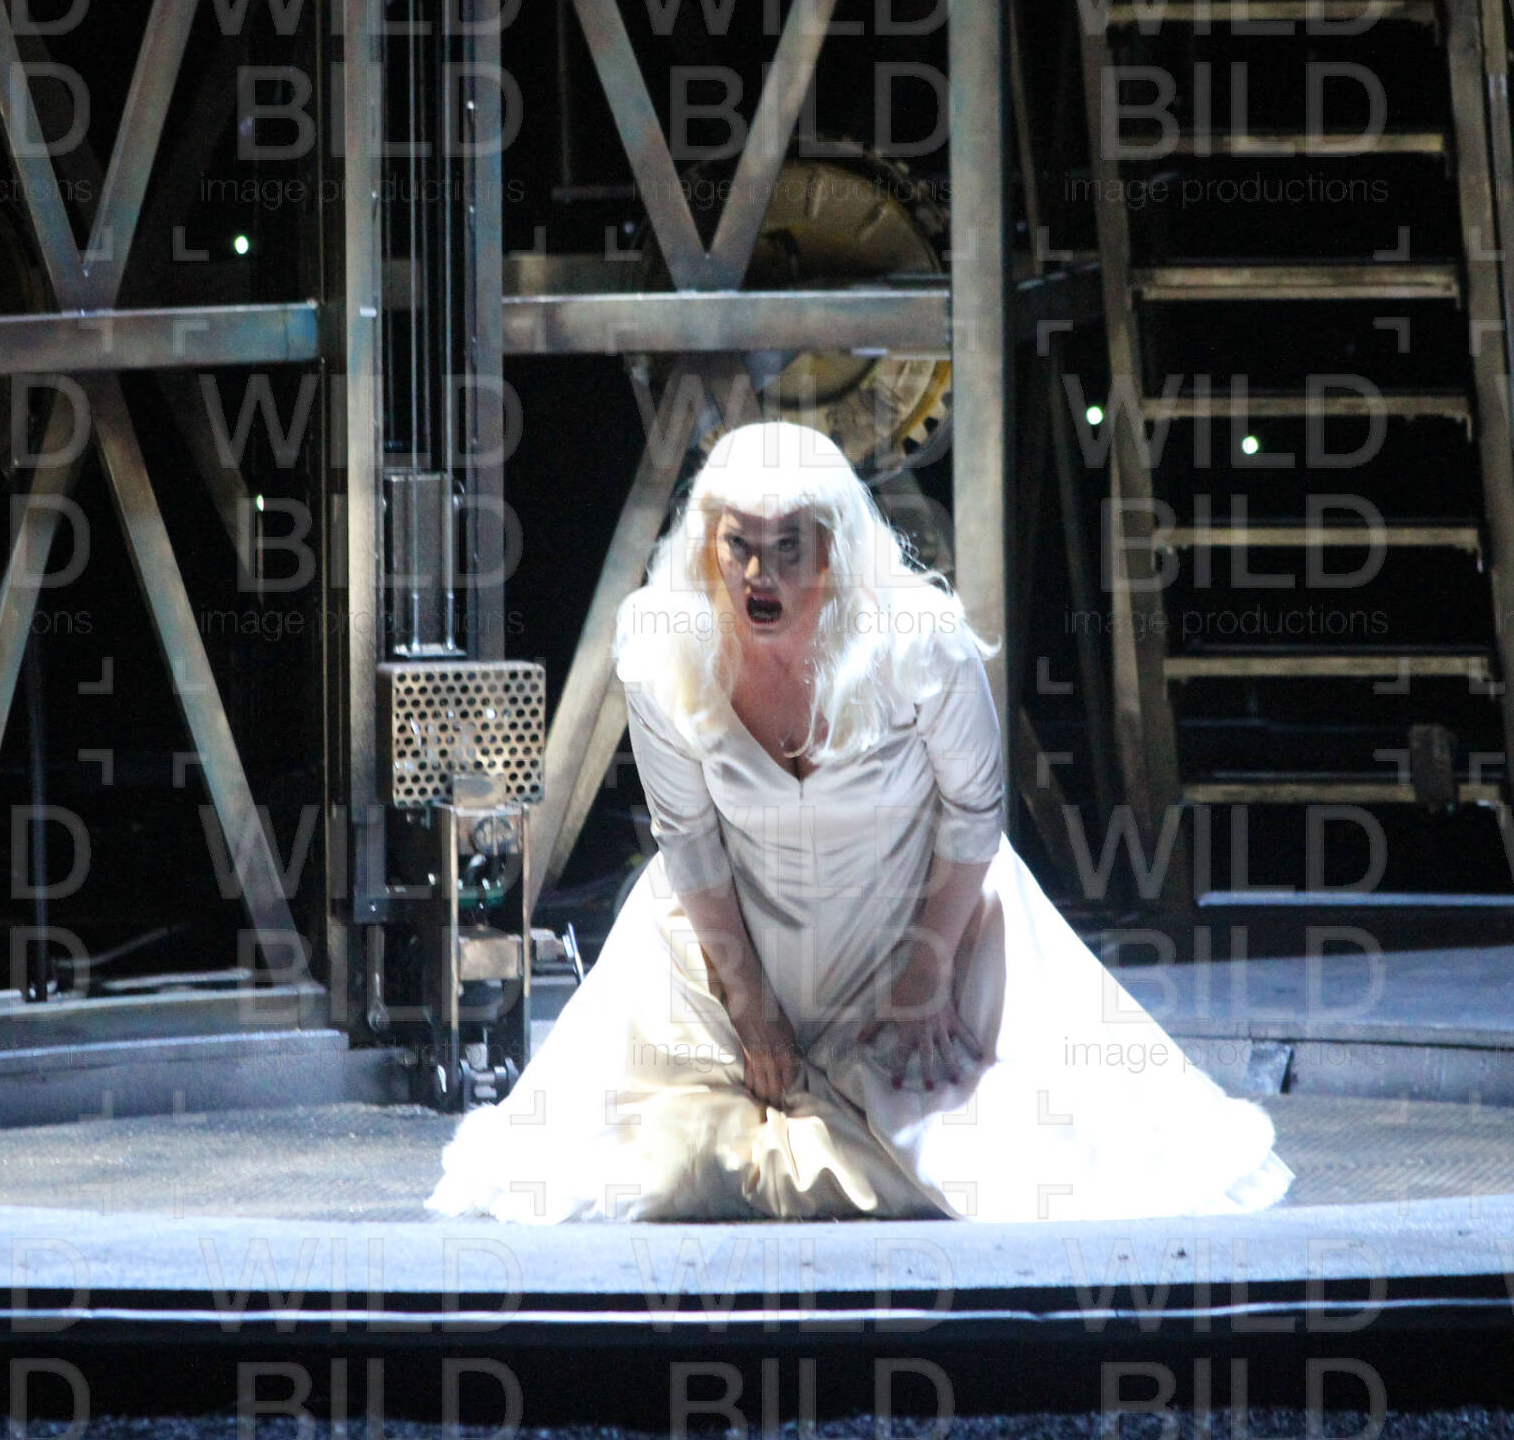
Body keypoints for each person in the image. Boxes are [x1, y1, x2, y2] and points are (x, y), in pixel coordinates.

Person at [426, 421, 1291, 1222]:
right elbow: (686, 838)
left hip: (917, 929)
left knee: (1022, 1157)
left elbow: (975, 810)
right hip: (734, 941)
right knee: (632, 1159)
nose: (760, 574)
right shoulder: (662, 648)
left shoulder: (917, 638)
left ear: (834, 546)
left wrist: (927, 971)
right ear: (708, 543)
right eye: (739, 546)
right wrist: (752, 1008)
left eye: (787, 547)